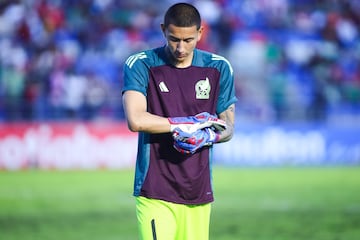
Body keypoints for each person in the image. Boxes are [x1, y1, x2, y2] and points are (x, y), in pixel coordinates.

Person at [122, 2, 237, 240]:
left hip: (198, 191)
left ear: (200, 33)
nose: (181, 48)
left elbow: (228, 126)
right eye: (174, 39)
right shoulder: (141, 64)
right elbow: (135, 119)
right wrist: (184, 124)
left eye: (188, 40)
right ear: (163, 29)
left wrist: (210, 135)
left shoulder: (219, 68)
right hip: (154, 190)